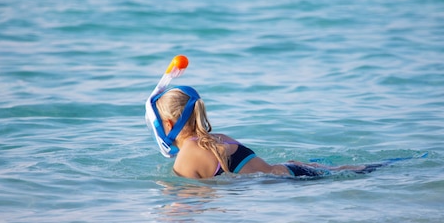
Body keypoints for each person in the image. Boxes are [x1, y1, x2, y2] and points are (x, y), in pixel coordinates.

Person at [148, 85, 380, 179]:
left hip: (286, 184)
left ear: (168, 123)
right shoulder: (218, 138)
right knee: (371, 169)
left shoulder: (187, 155)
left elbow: (185, 210)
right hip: (293, 170)